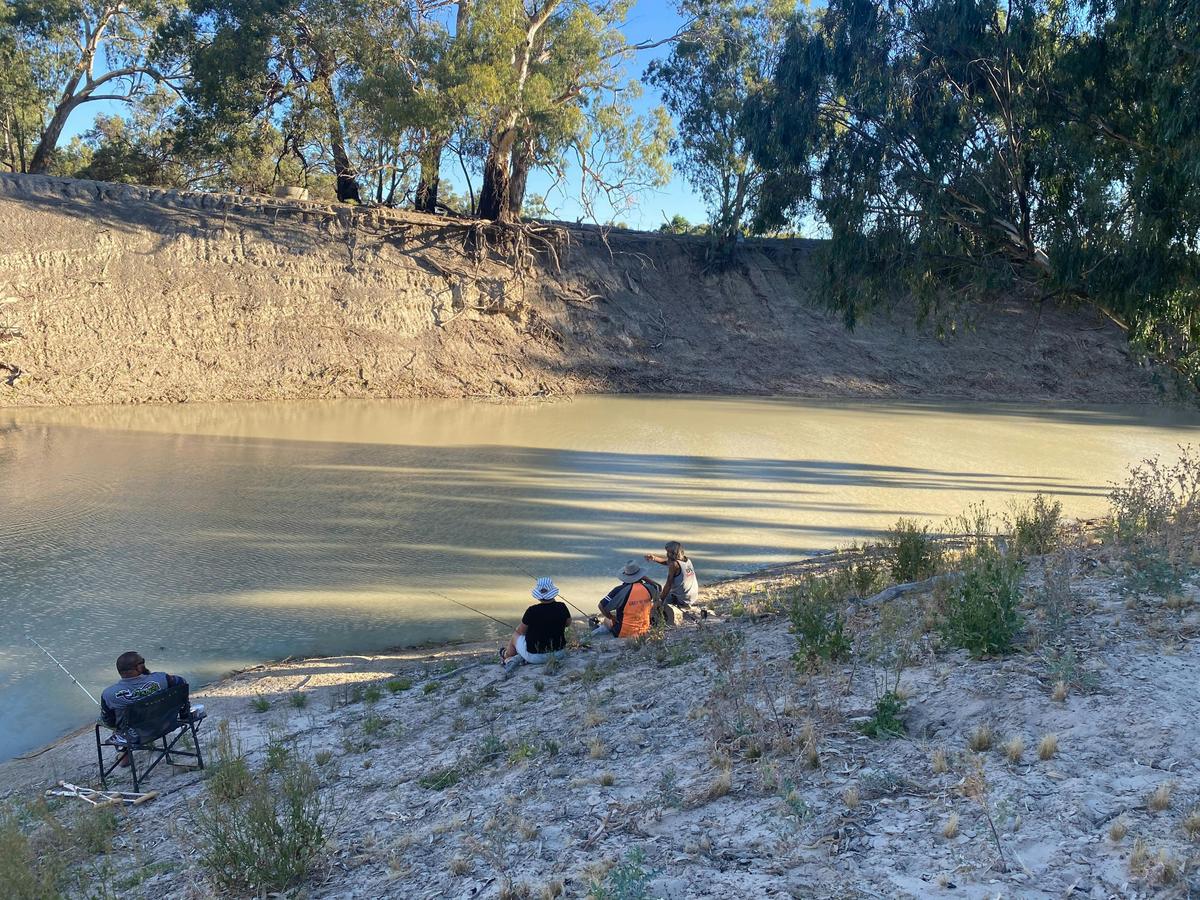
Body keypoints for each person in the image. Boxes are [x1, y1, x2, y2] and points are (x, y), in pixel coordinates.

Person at [100, 651, 189, 765]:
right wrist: (184, 712)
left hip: (135, 736)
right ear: (138, 667)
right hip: (166, 724)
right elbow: (182, 684)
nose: (144, 665)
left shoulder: (109, 694)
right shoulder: (163, 679)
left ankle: (124, 757)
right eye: (143, 662)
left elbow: (108, 720)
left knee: (119, 722)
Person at [500, 577, 571, 666]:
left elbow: (521, 631)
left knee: (515, 636)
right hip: (559, 653)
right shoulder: (562, 606)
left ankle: (506, 656)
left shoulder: (532, 610)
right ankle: (513, 656)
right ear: (553, 593)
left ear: (539, 596)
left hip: (535, 657)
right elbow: (568, 623)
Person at [593, 561, 661, 639]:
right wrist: (645, 578)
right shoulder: (650, 588)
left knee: (606, 620)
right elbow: (658, 587)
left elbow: (601, 606)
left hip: (624, 633)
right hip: (644, 630)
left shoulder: (619, 590)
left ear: (625, 575)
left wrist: (611, 617)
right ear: (640, 575)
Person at [645, 541, 699, 614]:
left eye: (668, 552)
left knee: (655, 598)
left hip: (683, 599)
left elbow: (668, 584)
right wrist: (654, 558)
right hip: (693, 596)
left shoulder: (674, 565)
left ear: (673, 553)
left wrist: (660, 600)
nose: (667, 554)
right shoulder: (687, 560)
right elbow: (667, 562)